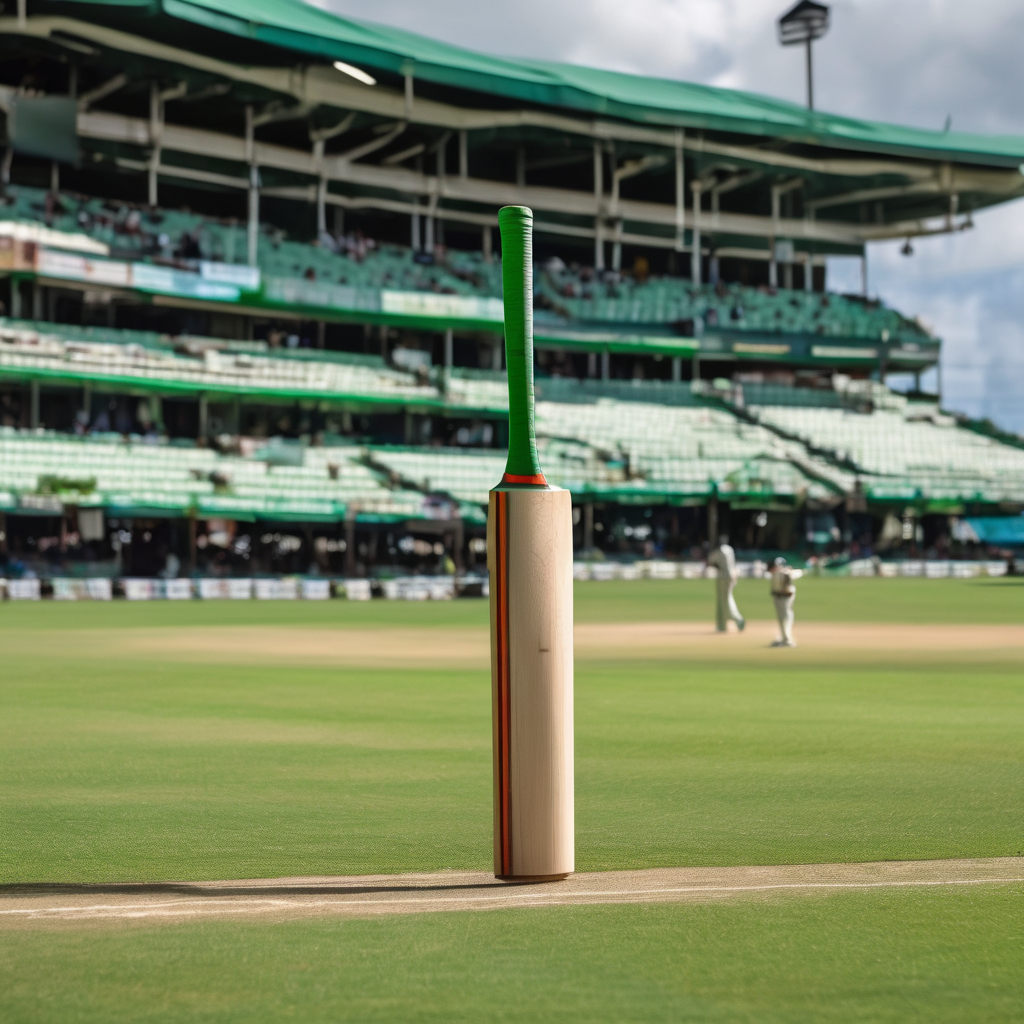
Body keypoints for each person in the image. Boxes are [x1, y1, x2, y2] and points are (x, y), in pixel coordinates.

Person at [708, 534, 745, 633]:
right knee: (723, 600)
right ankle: (721, 625)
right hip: (731, 575)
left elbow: (712, 562)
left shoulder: (718, 551)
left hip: (723, 577)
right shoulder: (729, 549)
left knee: (725, 600)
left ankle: (738, 619)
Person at [768, 556, 803, 647]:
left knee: (786, 615)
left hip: (787, 597)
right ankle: (783, 637)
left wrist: (790, 571)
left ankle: (787, 639)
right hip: (777, 596)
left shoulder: (787, 573)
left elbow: (798, 573)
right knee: (781, 617)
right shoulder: (774, 573)